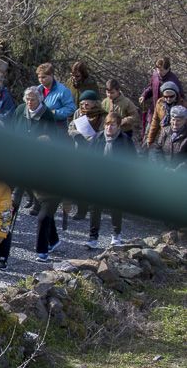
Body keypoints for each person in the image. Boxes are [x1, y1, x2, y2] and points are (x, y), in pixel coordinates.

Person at [86, 112, 135, 249]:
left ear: (118, 126)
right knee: (95, 208)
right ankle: (93, 237)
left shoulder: (125, 141)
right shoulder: (97, 138)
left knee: (116, 208)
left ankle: (116, 235)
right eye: (107, 124)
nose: (109, 127)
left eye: (112, 125)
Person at [68, 90, 106, 220]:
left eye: (87, 103)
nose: (84, 106)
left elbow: (104, 133)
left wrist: (92, 139)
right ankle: (81, 211)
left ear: (95, 103)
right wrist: (76, 134)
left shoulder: (103, 116)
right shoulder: (78, 113)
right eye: (82, 103)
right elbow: (71, 127)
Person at [140, 57, 182, 137]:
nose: (159, 72)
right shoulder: (155, 74)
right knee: (148, 135)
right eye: (158, 69)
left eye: (162, 70)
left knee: (165, 138)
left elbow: (180, 98)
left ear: (168, 69)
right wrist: (144, 95)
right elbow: (151, 87)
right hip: (154, 111)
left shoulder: (173, 81)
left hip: (168, 114)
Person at [35, 63, 76, 127]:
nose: (40, 80)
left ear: (51, 75)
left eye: (43, 77)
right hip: (40, 126)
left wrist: (54, 113)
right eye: (39, 77)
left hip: (57, 128)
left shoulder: (63, 91)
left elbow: (71, 108)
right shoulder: (37, 90)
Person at [145, 81, 183, 149]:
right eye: (166, 96)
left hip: (179, 137)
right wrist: (150, 139)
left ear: (176, 94)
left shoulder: (183, 105)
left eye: (171, 96)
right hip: (163, 135)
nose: (168, 99)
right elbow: (155, 121)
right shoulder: (160, 103)